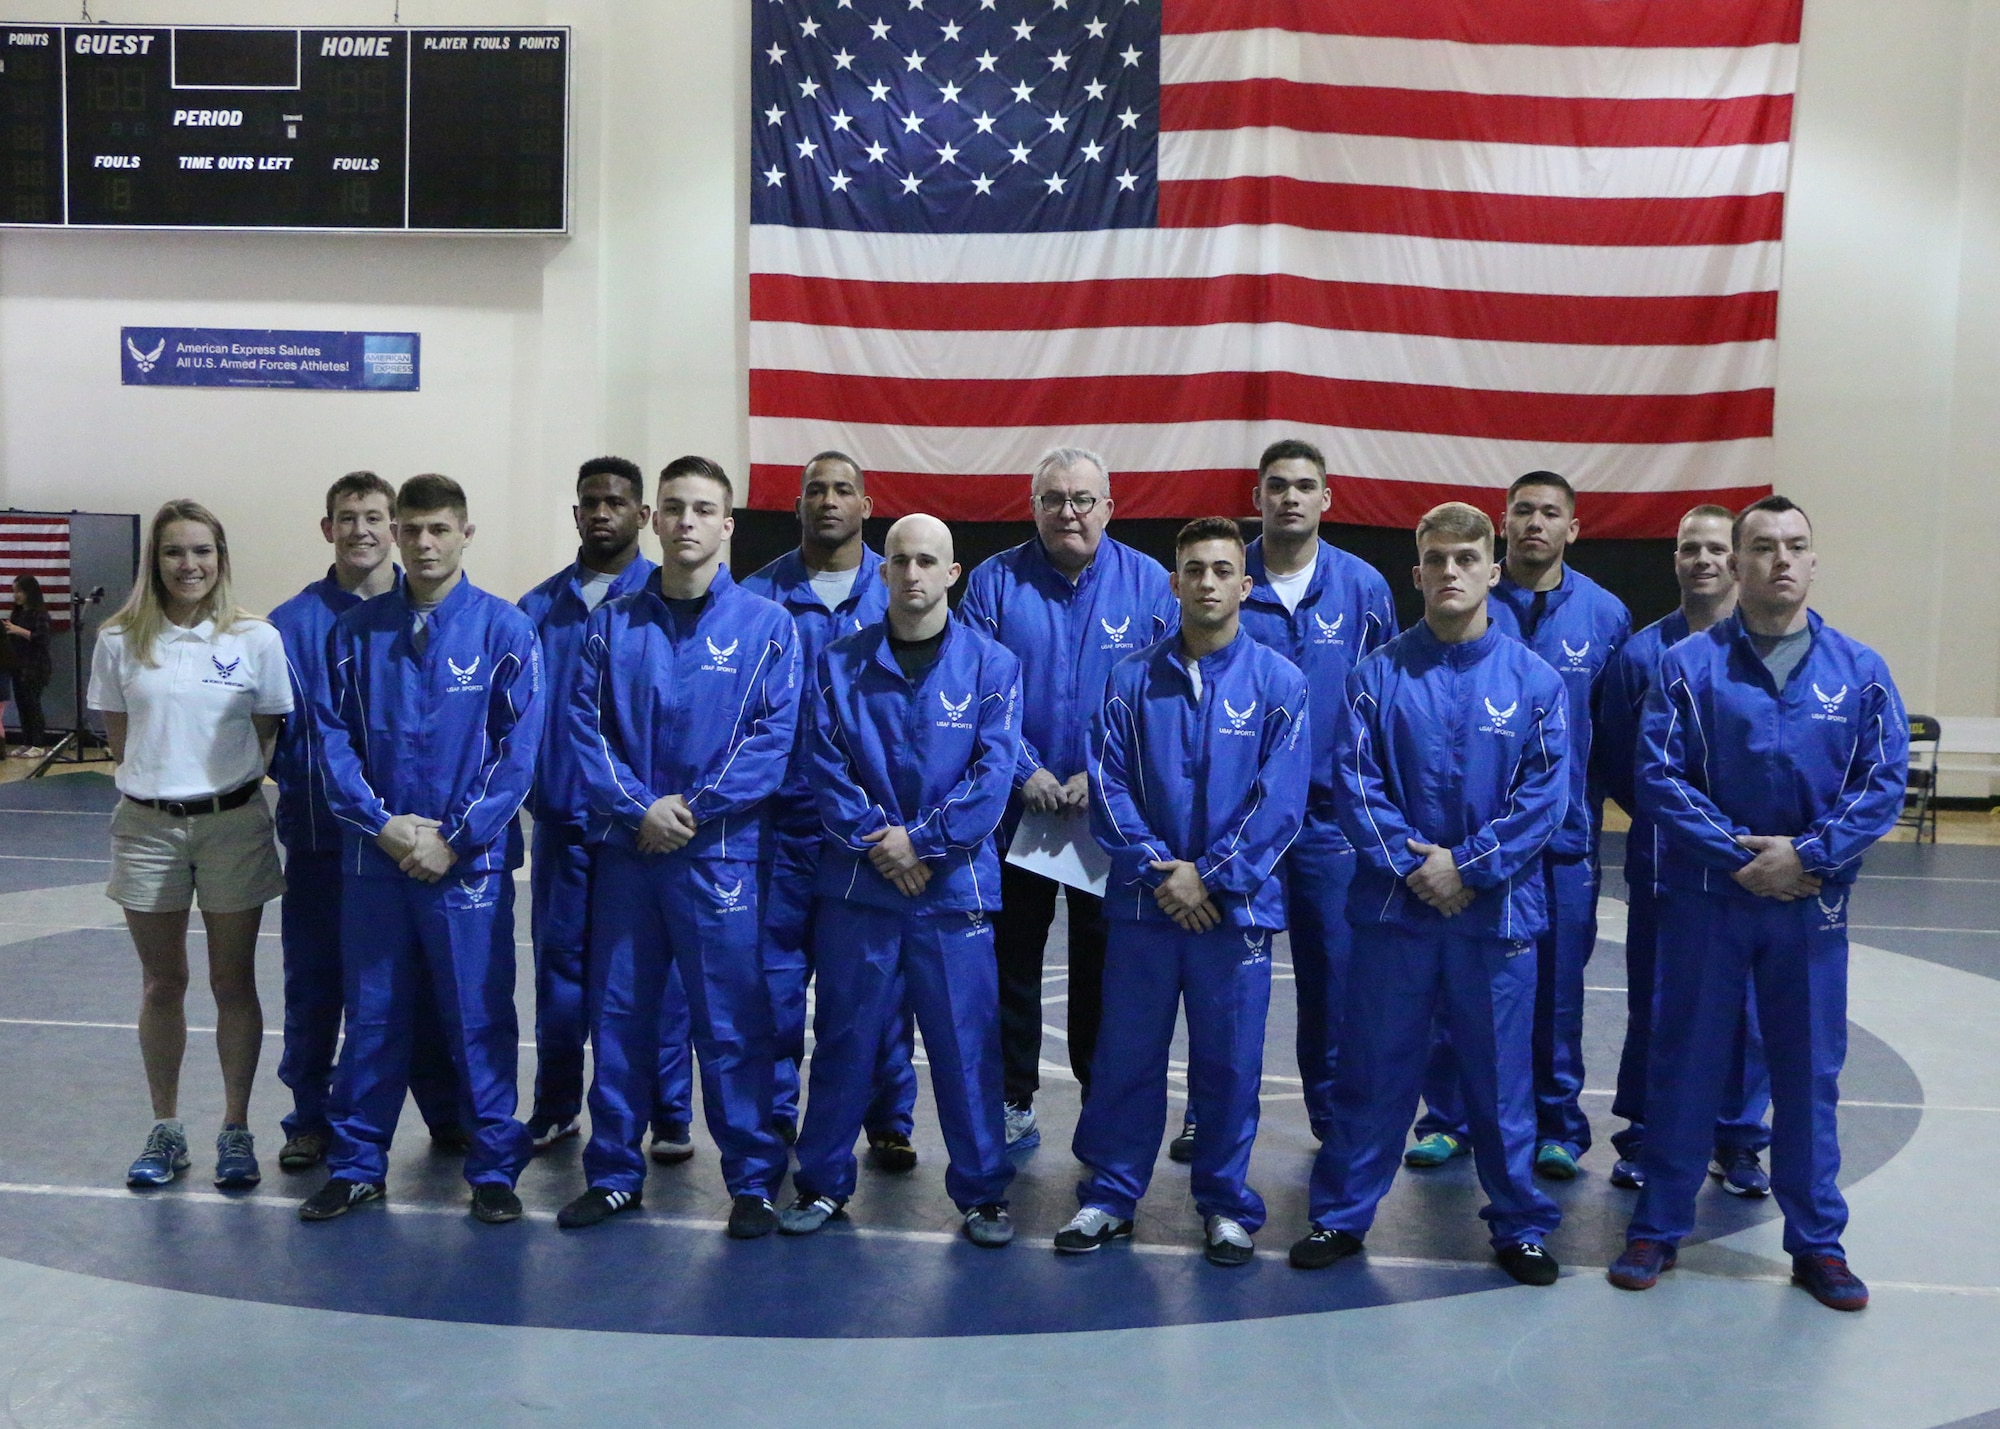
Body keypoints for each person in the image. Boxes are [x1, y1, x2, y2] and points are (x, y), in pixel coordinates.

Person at [1610, 496, 1907, 1311]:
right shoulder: (1688, 666)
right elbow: (1659, 776)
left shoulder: (1861, 671)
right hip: (1713, 901)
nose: (1781, 559)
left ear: (1814, 562)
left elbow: (1882, 784)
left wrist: (1805, 855)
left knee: (1809, 1076)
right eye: (1763, 546)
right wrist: (1740, 859)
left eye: (1796, 545)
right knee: (1685, 1066)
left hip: (1810, 907)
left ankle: (1817, 1242)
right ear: (1736, 564)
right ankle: (1658, 1226)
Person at [1289, 502, 1568, 1286]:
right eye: (1436, 559)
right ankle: (1342, 1213)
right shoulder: (1376, 675)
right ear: (1417, 573)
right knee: (1372, 1073)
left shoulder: (1536, 682)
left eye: (1466, 558)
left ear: (1491, 569)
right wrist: (1420, 870)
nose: (1451, 571)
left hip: (1494, 918)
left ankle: (1518, 1224)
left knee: (1500, 1081)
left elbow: (1546, 798)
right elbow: (1353, 782)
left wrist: (1469, 868)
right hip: (1394, 915)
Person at [1056, 517, 1308, 1267]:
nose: (1206, 581)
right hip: (1145, 905)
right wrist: (1165, 870)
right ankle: (1111, 1194)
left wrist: (1214, 874)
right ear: (1174, 583)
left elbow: (1281, 801)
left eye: (1221, 569)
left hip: (1234, 911)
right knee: (1126, 1054)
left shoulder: (1280, 683)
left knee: (1229, 1063)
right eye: (1193, 568)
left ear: (1244, 585)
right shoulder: (1131, 677)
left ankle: (1227, 1204)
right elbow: (1109, 787)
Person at [559, 456, 798, 1238]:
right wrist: (638, 810)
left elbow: (773, 739)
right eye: (674, 507)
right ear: (653, 521)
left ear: (728, 525)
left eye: (704, 508)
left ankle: (754, 1182)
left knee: (730, 1020)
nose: (687, 521)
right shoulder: (610, 623)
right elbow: (583, 735)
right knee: (620, 1015)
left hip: (718, 857)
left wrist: (689, 811)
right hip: (630, 852)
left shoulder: (768, 627)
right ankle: (616, 1173)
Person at [300, 474, 546, 1226]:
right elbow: (331, 745)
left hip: (466, 867)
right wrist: (382, 825)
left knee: (477, 1015)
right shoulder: (355, 633)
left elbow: (518, 753)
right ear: (399, 536)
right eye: (414, 530)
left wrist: (458, 837)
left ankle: (495, 1166)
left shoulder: (506, 631)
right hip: (377, 861)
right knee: (373, 1014)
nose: (426, 543)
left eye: (441, 529)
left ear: (466, 532)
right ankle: (357, 1162)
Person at [779, 514, 1021, 1246]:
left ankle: (982, 1193)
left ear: (953, 574)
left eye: (927, 561)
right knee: (847, 1040)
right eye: (900, 561)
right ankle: (822, 1183)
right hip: (861, 889)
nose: (912, 574)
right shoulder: (838, 662)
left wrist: (920, 842)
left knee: (966, 1045)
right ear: (882, 572)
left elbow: (992, 776)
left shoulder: (993, 665)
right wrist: (880, 844)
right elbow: (825, 768)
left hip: (952, 895)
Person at [1167, 440, 1394, 1162]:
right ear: (1257, 498)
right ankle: (1207, 1110)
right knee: (1218, 976)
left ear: (1328, 498)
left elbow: (1386, 701)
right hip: (1235, 827)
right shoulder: (1224, 578)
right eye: (1276, 486)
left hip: (1330, 823)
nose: (1290, 498)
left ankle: (1331, 1114)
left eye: (1305, 486)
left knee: (1334, 978)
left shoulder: (1364, 588)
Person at [1407, 471, 1629, 1180]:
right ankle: (1447, 1117)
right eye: (1524, 510)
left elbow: (1616, 733)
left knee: (1557, 991)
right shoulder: (1466, 599)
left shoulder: (1605, 613)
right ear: (1503, 525)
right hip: (1467, 844)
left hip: (1562, 845)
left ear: (1574, 527)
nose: (1536, 521)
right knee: (1455, 986)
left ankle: (1558, 1124)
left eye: (1551, 512)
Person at [960, 447, 1176, 1150]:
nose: (1069, 512)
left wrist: (1098, 771)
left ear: (1110, 507)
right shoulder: (993, 583)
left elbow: (1164, 698)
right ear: (1034, 507)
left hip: (1111, 817)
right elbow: (974, 696)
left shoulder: (1149, 585)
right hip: (1015, 811)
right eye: (1054, 498)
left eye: (1084, 498)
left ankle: (1100, 1099)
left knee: (1104, 966)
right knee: (1011, 961)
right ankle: (1012, 1096)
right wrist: (1025, 770)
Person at [88, 500, 292, 1190]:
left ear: (221, 558)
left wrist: (213, 787)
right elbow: (120, 739)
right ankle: (167, 1128)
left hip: (232, 823)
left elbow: (266, 732)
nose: (189, 564)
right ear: (156, 562)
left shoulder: (256, 640)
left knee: (232, 982)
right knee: (162, 982)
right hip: (147, 827)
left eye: (202, 551)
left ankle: (236, 1129)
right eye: (174, 552)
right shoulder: (119, 640)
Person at [267, 472, 465, 1173]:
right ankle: (311, 1118)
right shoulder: (288, 624)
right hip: (326, 844)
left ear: (396, 527)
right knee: (318, 986)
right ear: (328, 528)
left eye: (375, 517)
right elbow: (277, 736)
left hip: (414, 850)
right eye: (346, 517)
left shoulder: (431, 612)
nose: (361, 530)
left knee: (425, 988)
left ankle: (448, 1111)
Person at [739, 451, 918, 1168]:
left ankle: (888, 1113)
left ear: (867, 504)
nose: (829, 500)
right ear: (798, 503)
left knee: (877, 983)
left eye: (845, 488)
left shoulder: (900, 591)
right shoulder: (756, 596)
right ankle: (779, 1109)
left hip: (871, 829)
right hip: (781, 822)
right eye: (816, 489)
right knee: (775, 977)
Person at [518, 456, 700, 1162]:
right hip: (565, 827)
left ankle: (669, 1113)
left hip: (642, 835)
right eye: (590, 501)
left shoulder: (670, 604)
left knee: (655, 980)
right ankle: (557, 1104)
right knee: (560, 975)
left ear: (642, 516)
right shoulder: (534, 611)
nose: (602, 512)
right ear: (575, 513)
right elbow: (518, 723)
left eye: (617, 502)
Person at [1595, 505, 1771, 1194]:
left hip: (1752, 867)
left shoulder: (1763, 651)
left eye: (1714, 548)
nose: (1701, 559)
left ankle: (1739, 1140)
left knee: (1746, 1009)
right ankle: (1645, 1133)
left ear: (1733, 561)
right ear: (1674, 559)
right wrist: (1690, 832)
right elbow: (1620, 763)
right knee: (1657, 1004)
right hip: (1666, 866)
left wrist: (1740, 847)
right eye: (1688, 547)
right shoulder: (1641, 654)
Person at [4, 574, 55, 757]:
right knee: (22, 706)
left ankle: (39, 744)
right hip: (18, 666)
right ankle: (27, 742)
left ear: (29, 592)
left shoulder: (40, 613)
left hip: (35, 666)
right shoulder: (17, 614)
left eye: (19, 591)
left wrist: (19, 630)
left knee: (33, 705)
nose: (16, 595)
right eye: (14, 592)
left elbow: (43, 639)